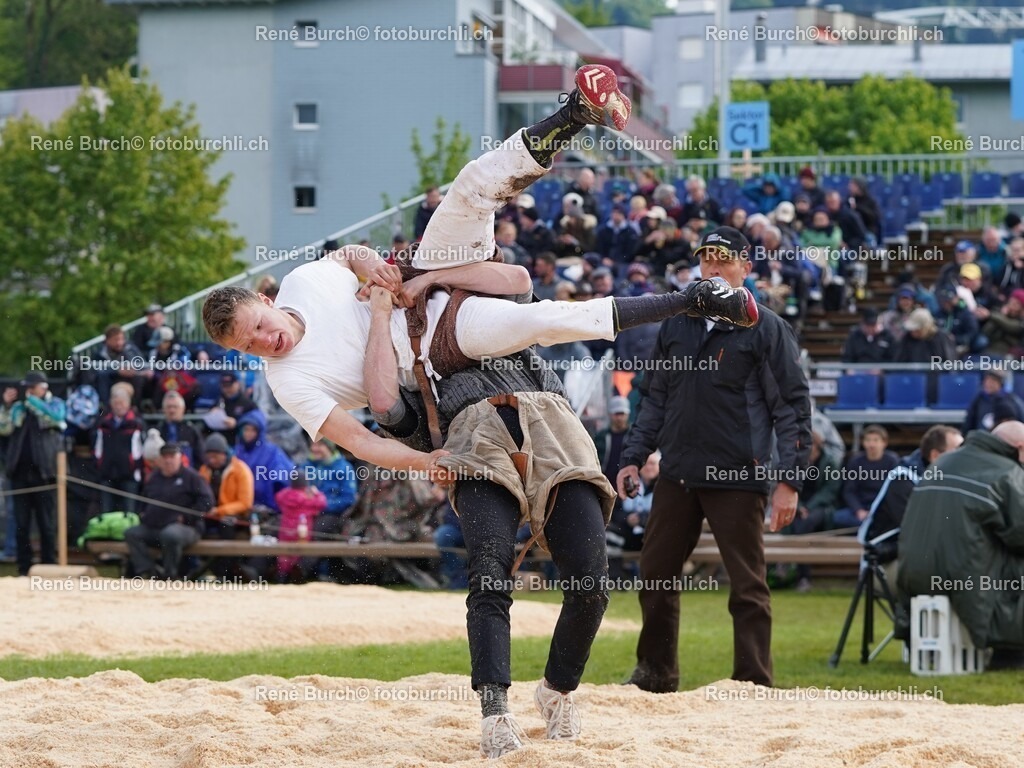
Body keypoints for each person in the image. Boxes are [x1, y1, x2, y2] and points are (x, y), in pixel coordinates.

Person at [202, 65, 756, 485]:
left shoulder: (300, 279)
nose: (263, 343)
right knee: (542, 320)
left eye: (256, 325)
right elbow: (359, 441)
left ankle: (574, 113)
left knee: (472, 184)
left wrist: (369, 262)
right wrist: (424, 462)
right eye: (249, 347)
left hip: (424, 272)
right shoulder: (287, 382)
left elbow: (347, 258)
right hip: (425, 348)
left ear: (265, 297)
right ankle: (695, 299)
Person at [363, 280, 619, 755]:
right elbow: (382, 405)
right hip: (472, 437)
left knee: (592, 582)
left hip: (555, 427)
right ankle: (496, 713)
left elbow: (517, 278)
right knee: (488, 572)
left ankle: (556, 691)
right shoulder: (408, 358)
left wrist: (430, 275)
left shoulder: (490, 308)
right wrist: (380, 313)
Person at [617, 225, 812, 692]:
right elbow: (653, 397)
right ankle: (655, 674)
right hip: (678, 473)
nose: (713, 268)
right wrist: (633, 455)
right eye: (706, 259)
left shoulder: (766, 327)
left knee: (747, 586)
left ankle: (753, 681)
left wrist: (790, 480)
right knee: (655, 575)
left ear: (747, 266)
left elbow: (792, 405)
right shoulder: (676, 323)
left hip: (739, 476)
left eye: (723, 260)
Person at [897, 421, 1024, 670]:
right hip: (964, 579)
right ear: (1020, 447)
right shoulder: (1009, 473)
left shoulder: (942, 463)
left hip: (913, 576)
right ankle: (1009, 653)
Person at [865, 425, 963, 560]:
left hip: (921, 552)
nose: (964, 456)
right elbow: (919, 531)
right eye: (957, 451)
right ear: (935, 456)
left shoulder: (947, 478)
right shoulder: (903, 481)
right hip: (888, 557)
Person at [0, 372, 65, 575]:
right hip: (19, 473)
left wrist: (32, 402)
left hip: (44, 473)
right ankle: (24, 567)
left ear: (42, 387)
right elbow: (4, 428)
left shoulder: (55, 403)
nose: (27, 391)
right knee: (21, 523)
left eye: (31, 386)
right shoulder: (19, 407)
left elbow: (57, 418)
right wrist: (7, 406)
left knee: (46, 524)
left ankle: (49, 566)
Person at [124, 443, 214, 579]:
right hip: (155, 527)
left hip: (187, 528)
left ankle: (170, 575)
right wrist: (143, 514)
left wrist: (187, 517)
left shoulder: (192, 477)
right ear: (159, 460)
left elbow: (207, 501)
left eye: (172, 456)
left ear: (180, 458)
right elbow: (143, 500)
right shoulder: (154, 478)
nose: (168, 460)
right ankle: (148, 571)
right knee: (132, 533)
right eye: (164, 457)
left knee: (170, 534)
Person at [832, 424, 900, 530]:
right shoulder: (855, 462)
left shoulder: (892, 461)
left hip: (883, 509)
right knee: (837, 517)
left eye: (876, 440)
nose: (871, 444)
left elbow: (895, 490)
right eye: (868, 440)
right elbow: (849, 491)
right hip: (860, 508)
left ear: (884, 442)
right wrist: (858, 510)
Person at [94, 384, 144, 513]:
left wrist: (136, 468)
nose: (119, 406)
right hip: (107, 472)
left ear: (128, 404)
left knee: (130, 511)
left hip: (129, 474)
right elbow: (97, 449)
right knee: (106, 511)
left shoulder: (137, 423)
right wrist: (101, 466)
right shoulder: (103, 423)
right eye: (116, 403)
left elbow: (140, 450)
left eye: (122, 403)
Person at [233, 410, 294, 513]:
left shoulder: (271, 450)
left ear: (259, 432)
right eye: (246, 429)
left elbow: (283, 472)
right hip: (241, 501)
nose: (248, 434)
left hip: (266, 503)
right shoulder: (237, 451)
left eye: (253, 430)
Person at [274, 470, 327, 582]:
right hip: (301, 531)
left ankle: (281, 576)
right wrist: (316, 493)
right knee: (297, 552)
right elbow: (322, 503)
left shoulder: (285, 495)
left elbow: (278, 497)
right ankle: (294, 575)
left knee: (283, 554)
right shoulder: (307, 499)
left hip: (285, 531)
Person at [156, 391, 204, 468]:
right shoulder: (157, 431)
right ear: (163, 409)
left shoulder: (191, 430)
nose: (172, 410)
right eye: (169, 407)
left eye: (175, 407)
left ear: (183, 409)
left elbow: (200, 457)